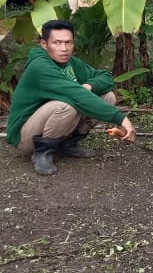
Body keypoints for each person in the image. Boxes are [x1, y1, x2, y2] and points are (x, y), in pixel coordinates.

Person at [6, 19, 136, 175]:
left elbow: (105, 77)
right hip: (25, 134)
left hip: (49, 120)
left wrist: (89, 86)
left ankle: (68, 145)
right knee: (67, 105)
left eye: (69, 43)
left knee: (106, 96)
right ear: (44, 44)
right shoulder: (40, 66)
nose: (64, 49)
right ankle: (42, 153)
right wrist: (122, 119)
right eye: (57, 43)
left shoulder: (71, 63)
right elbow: (76, 96)